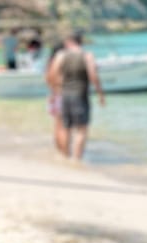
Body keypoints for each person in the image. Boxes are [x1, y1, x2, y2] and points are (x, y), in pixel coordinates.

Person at [47, 32, 105, 161]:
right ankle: (77, 159)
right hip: (80, 95)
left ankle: (65, 156)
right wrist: (100, 93)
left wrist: (55, 91)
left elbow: (52, 74)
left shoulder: (61, 55)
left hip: (64, 94)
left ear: (69, 41)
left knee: (66, 127)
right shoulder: (87, 55)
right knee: (81, 129)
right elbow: (93, 76)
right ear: (80, 41)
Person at [44, 42, 66, 152]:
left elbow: (47, 79)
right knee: (63, 126)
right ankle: (65, 153)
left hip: (52, 96)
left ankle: (60, 151)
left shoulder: (49, 62)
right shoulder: (61, 63)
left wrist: (53, 91)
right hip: (61, 95)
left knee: (57, 126)